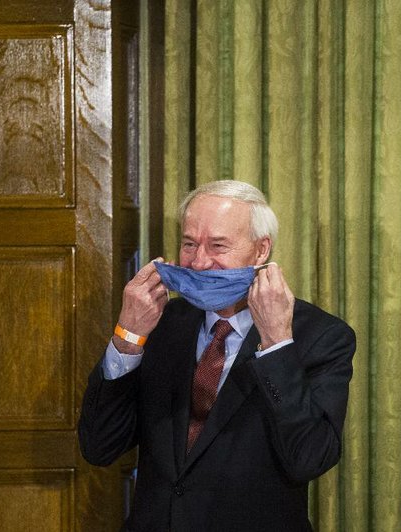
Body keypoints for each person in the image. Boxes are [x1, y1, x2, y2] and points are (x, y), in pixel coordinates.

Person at [79, 180, 356, 531]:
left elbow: (308, 459)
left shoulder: (322, 336)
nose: (199, 262)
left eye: (218, 246)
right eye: (189, 244)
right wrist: (128, 339)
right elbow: (99, 446)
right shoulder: (158, 323)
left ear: (260, 251)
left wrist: (276, 344)